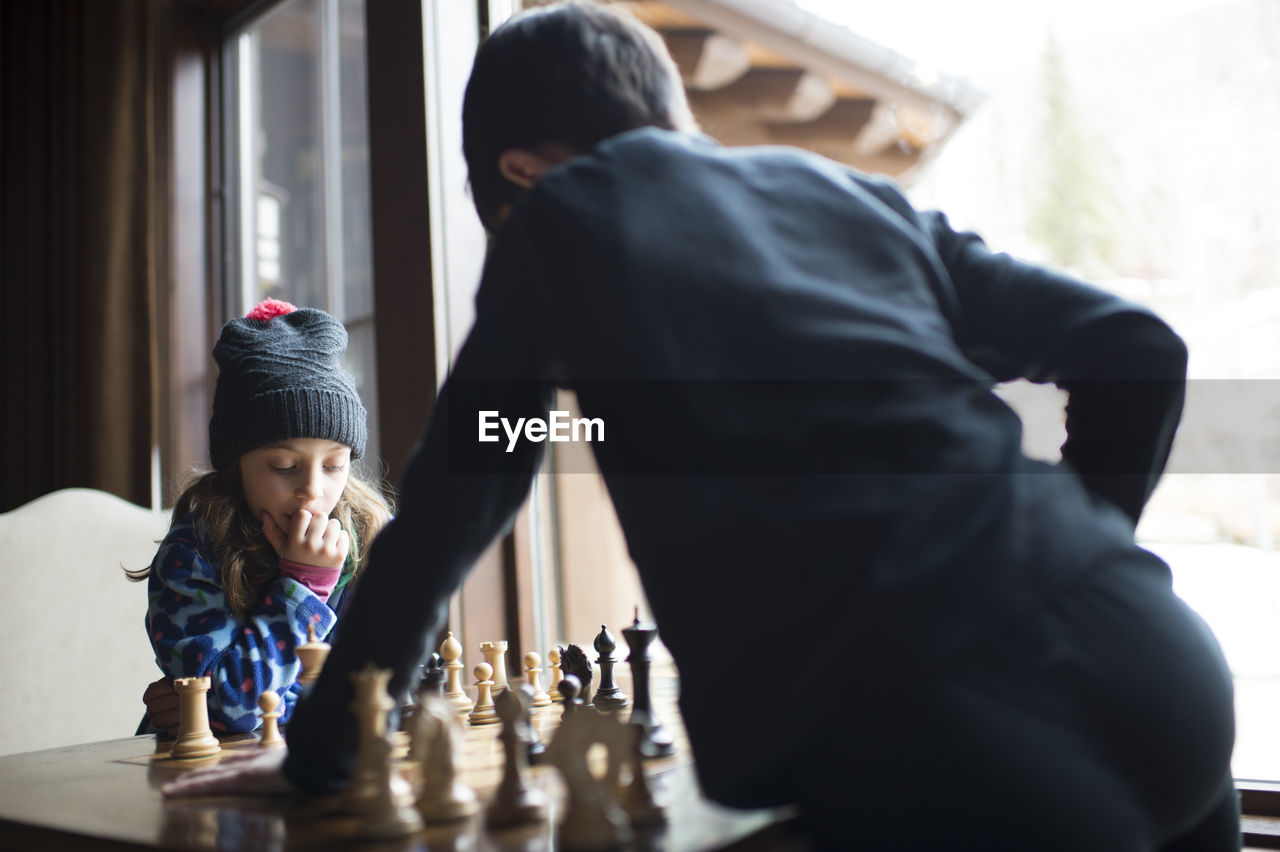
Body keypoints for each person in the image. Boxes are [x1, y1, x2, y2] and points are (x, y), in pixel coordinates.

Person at [165, 4, 1238, 849]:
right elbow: (1135, 349)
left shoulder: (557, 220)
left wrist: (325, 750)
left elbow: (464, 491)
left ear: (521, 173)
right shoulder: (851, 197)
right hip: (1157, 666)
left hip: (941, 737)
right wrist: (1071, 554)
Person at [130, 298, 392, 735]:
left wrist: (214, 705)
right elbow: (233, 711)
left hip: (317, 775)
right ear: (237, 464)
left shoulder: (366, 535)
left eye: (333, 466)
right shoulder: (193, 554)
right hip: (202, 781)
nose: (313, 488)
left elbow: (386, 697)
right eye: (284, 467)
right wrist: (304, 588)